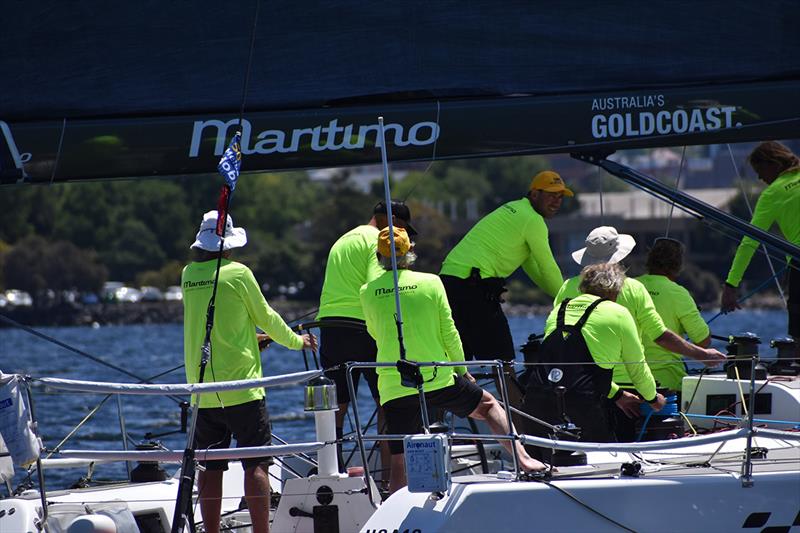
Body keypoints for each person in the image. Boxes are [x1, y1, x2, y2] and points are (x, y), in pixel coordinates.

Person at [361, 227, 547, 493]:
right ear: (410, 252)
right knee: (488, 404)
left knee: (400, 456)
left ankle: (394, 507)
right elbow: (449, 332)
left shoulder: (367, 291)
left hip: (394, 385)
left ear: (378, 257)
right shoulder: (432, 282)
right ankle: (525, 460)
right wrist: (461, 370)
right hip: (437, 379)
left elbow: (373, 332)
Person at [182, 210, 317, 533]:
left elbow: (213, 323)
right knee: (256, 464)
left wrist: (249, 339)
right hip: (243, 388)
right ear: (228, 244)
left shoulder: (188, 275)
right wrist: (297, 342)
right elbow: (267, 316)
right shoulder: (239, 273)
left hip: (203, 389)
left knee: (210, 467)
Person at [554, 226, 725, 440]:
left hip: (581, 386)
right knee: (630, 453)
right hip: (629, 392)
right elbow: (660, 335)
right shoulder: (633, 288)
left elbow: (558, 335)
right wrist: (702, 355)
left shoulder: (567, 287)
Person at [315, 200, 416, 479]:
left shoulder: (343, 239)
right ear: (392, 220)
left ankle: (330, 472)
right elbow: (378, 284)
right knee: (387, 399)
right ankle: (389, 476)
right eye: (404, 229)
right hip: (363, 327)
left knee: (338, 404)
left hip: (331, 327)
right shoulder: (375, 240)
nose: (402, 238)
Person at [523, 263, 665, 459]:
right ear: (615, 289)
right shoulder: (618, 313)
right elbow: (637, 367)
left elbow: (573, 368)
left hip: (536, 400)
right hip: (582, 405)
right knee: (606, 463)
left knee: (542, 467)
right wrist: (652, 398)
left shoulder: (560, 310)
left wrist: (617, 395)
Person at [439, 170, 570, 362]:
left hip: (448, 281)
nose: (556, 201)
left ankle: (459, 391)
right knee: (503, 361)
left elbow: (534, 269)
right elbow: (548, 266)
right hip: (473, 284)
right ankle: (511, 393)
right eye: (551, 195)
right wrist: (571, 302)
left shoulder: (513, 208)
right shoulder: (533, 220)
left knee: (458, 361)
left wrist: (560, 298)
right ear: (534, 194)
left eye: (560, 197)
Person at [721, 141, 800, 355]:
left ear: (773, 163)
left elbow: (750, 242)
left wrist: (731, 284)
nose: (759, 178)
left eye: (760, 171)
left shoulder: (773, 193)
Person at [637, 238, 713, 393]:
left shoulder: (629, 287)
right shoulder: (679, 293)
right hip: (667, 382)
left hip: (628, 380)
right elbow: (703, 341)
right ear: (678, 265)